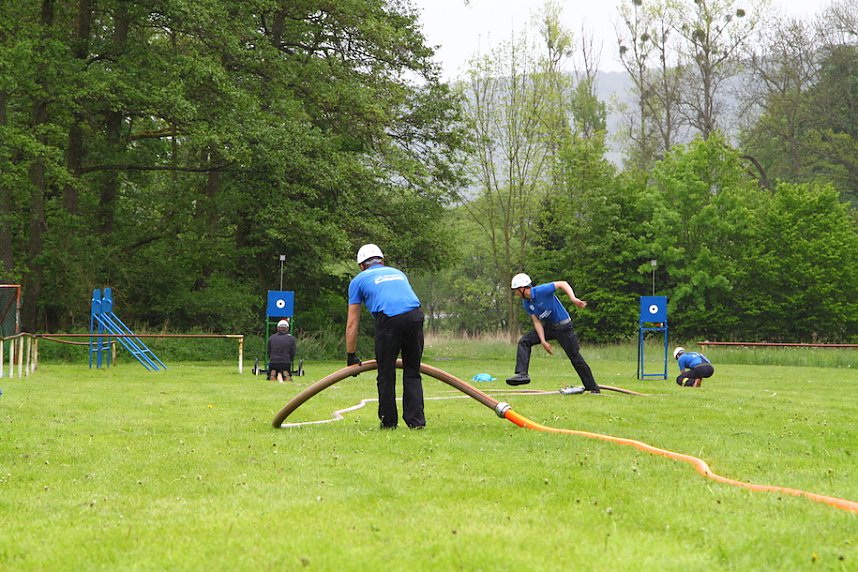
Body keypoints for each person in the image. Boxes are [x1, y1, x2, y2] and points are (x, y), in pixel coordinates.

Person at [346, 244, 426, 429]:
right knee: (412, 372)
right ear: (382, 261)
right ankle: (416, 422)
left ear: (361, 265)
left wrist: (351, 355)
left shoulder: (358, 280)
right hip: (415, 316)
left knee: (386, 373)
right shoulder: (398, 273)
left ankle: (389, 423)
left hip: (389, 319)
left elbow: (352, 323)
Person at [506, 273, 601, 395]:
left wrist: (573, 298)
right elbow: (537, 322)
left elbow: (563, 284)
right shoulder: (526, 303)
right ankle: (522, 374)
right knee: (524, 341)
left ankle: (593, 387)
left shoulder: (541, 290)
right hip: (550, 327)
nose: (516, 294)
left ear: (523, 288)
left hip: (564, 326)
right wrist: (543, 341)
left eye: (516, 291)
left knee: (575, 357)